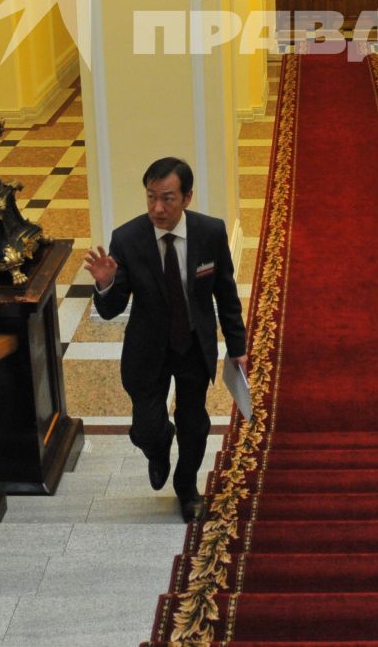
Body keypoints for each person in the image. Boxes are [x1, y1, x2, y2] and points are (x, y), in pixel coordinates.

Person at [83, 157, 247, 522]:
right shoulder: (127, 239)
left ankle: (186, 488)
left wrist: (238, 347)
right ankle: (157, 450)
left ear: (187, 197)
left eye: (168, 198)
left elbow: (226, 293)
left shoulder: (210, 232)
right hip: (147, 350)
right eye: (151, 197)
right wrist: (106, 283)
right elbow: (110, 311)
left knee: (195, 425)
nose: (158, 208)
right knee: (146, 429)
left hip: (192, 345)